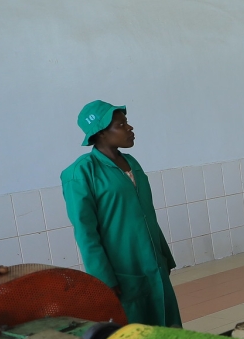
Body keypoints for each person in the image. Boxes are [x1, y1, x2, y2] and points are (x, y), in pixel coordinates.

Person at [61, 101, 181, 326]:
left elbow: (147, 215)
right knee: (135, 330)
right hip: (122, 270)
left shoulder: (131, 163)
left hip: (152, 262)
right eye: (121, 124)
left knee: (167, 325)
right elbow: (86, 232)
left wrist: (164, 257)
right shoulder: (81, 172)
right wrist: (103, 279)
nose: (130, 128)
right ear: (101, 132)